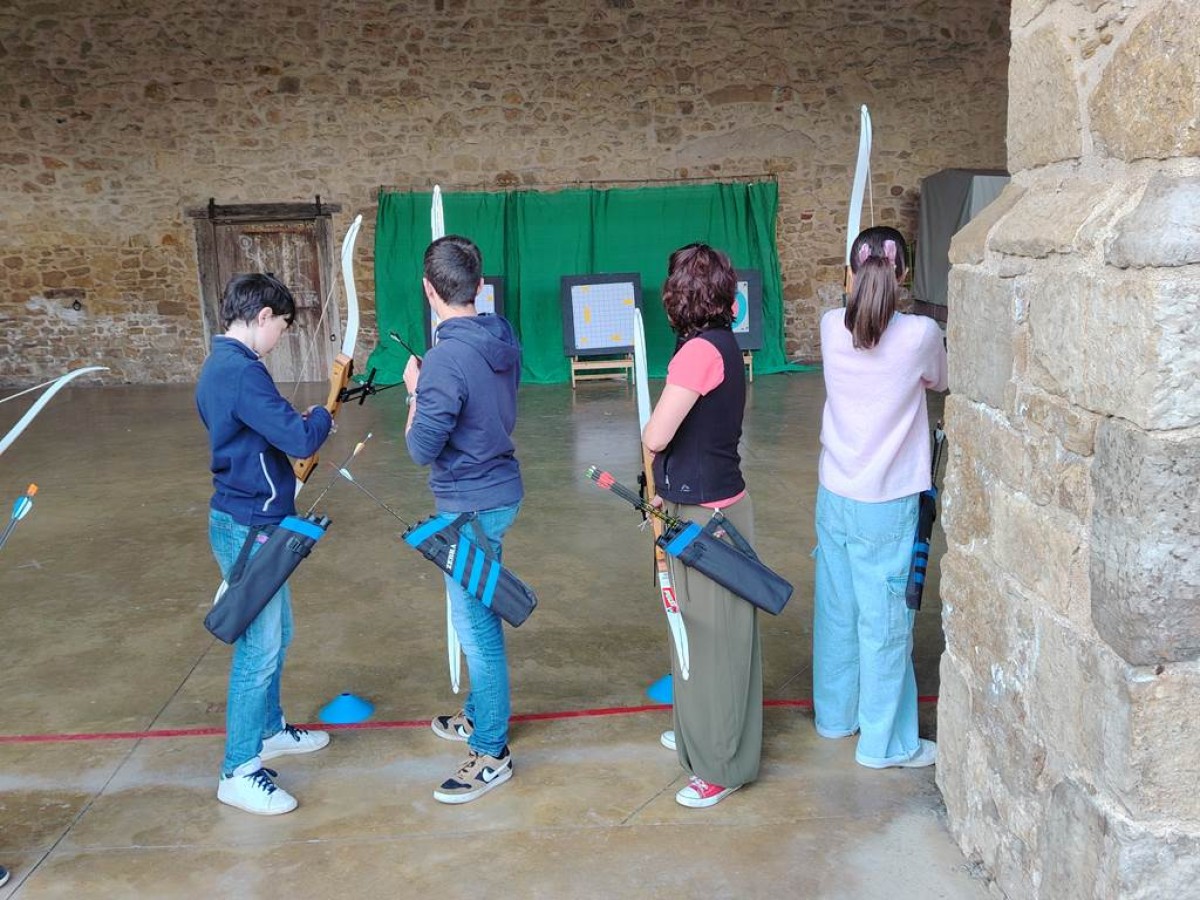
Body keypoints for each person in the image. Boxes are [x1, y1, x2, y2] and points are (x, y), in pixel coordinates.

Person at [195, 273, 335, 815]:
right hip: (249, 523)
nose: (281, 334)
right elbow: (300, 439)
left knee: (279, 632)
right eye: (281, 324)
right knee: (258, 648)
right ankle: (239, 769)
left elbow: (256, 432)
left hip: (253, 515)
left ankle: (270, 728)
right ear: (260, 318)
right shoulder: (240, 373)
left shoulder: (223, 366)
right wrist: (323, 413)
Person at [812, 225, 948, 769]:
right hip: (887, 501)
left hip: (835, 493)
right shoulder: (919, 333)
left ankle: (835, 718)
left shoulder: (827, 326)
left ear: (851, 270)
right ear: (905, 273)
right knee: (885, 620)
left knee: (838, 609)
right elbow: (937, 381)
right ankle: (885, 743)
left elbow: (860, 318)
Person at [403, 235, 524, 805]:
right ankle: (478, 714)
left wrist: (415, 391)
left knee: (476, 627)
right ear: (478, 285)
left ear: (430, 290)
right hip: (497, 491)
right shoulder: (499, 333)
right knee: (479, 608)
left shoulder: (447, 357)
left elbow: (421, 446)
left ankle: (492, 750)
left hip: (469, 502)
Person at [642, 243, 761, 809]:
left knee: (715, 642)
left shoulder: (697, 355)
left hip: (707, 519)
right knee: (694, 630)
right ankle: (697, 734)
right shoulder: (719, 347)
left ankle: (722, 762)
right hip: (706, 510)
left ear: (679, 296)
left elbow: (657, 435)